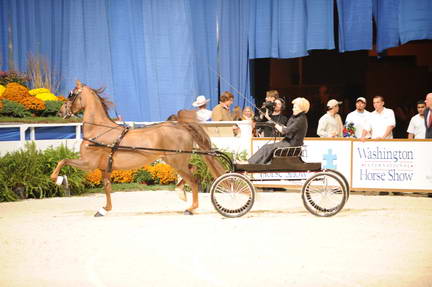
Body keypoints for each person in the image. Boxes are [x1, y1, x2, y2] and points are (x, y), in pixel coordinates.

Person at [247, 97, 310, 165]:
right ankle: (253, 163)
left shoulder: (300, 119)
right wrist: (272, 121)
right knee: (266, 147)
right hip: (287, 142)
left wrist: (276, 126)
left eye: (295, 107)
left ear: (301, 108)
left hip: (291, 144)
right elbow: (288, 128)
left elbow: (285, 131)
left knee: (267, 148)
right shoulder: (295, 117)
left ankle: (254, 164)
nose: (293, 109)